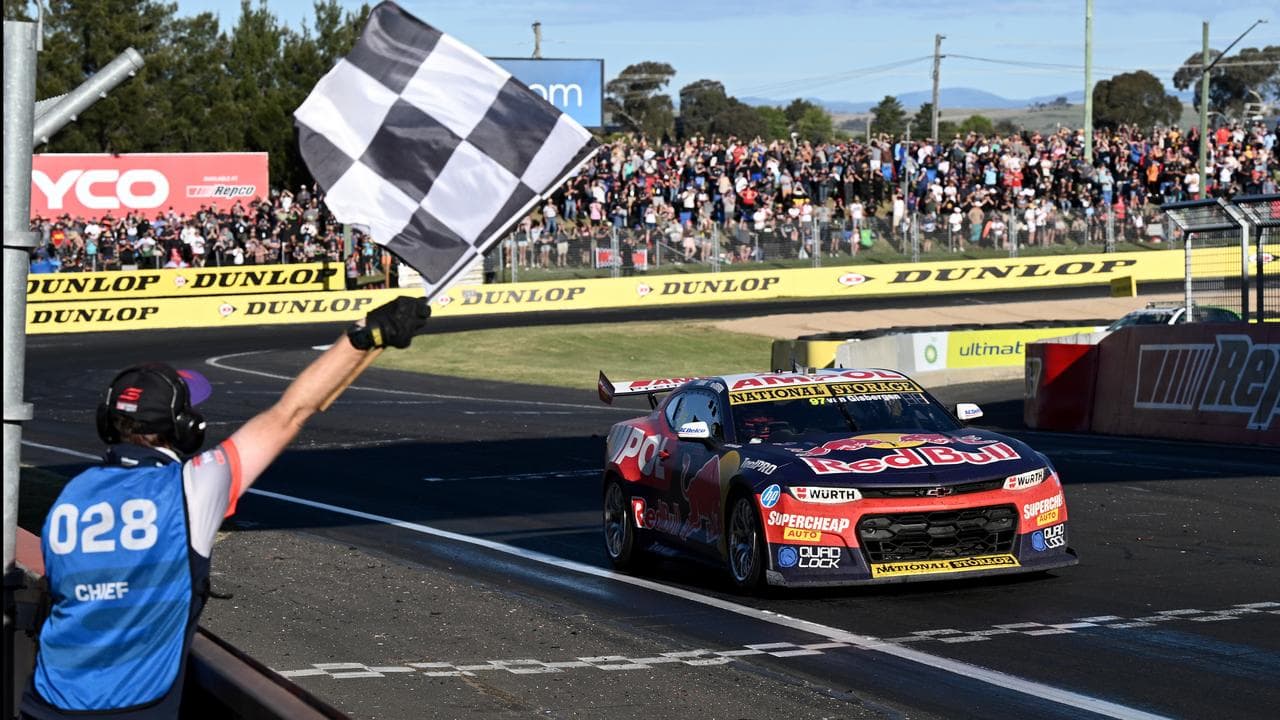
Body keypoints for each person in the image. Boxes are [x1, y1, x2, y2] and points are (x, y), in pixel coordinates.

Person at [20, 296, 431, 719]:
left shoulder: (73, 494)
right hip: (134, 710)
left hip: (44, 703)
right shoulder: (193, 485)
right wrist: (364, 338)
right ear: (185, 428)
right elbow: (291, 412)